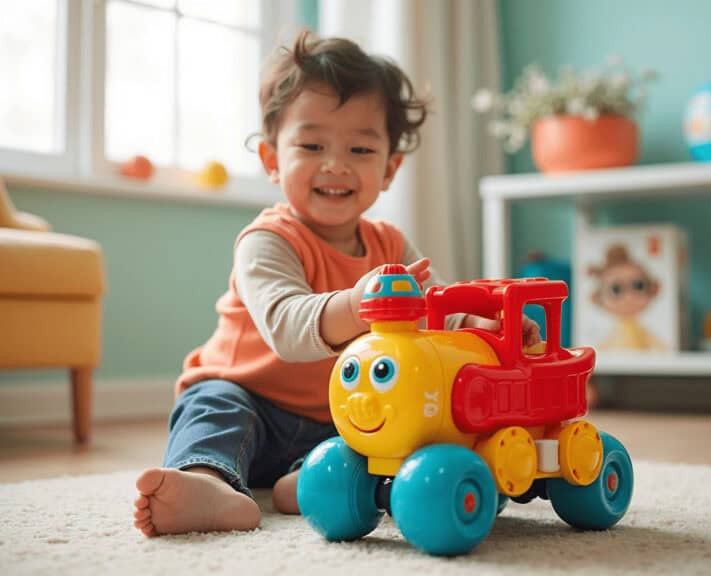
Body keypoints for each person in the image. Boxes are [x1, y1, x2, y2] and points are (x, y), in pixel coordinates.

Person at [133, 30, 541, 537]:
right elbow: (286, 327)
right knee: (212, 406)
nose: (336, 164)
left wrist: (483, 324)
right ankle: (206, 482)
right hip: (250, 398)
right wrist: (360, 303)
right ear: (271, 159)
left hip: (341, 414)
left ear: (389, 168)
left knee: (395, 428)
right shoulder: (267, 240)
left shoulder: (390, 245)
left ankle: (309, 482)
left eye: (360, 148)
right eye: (311, 144)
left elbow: (438, 311)